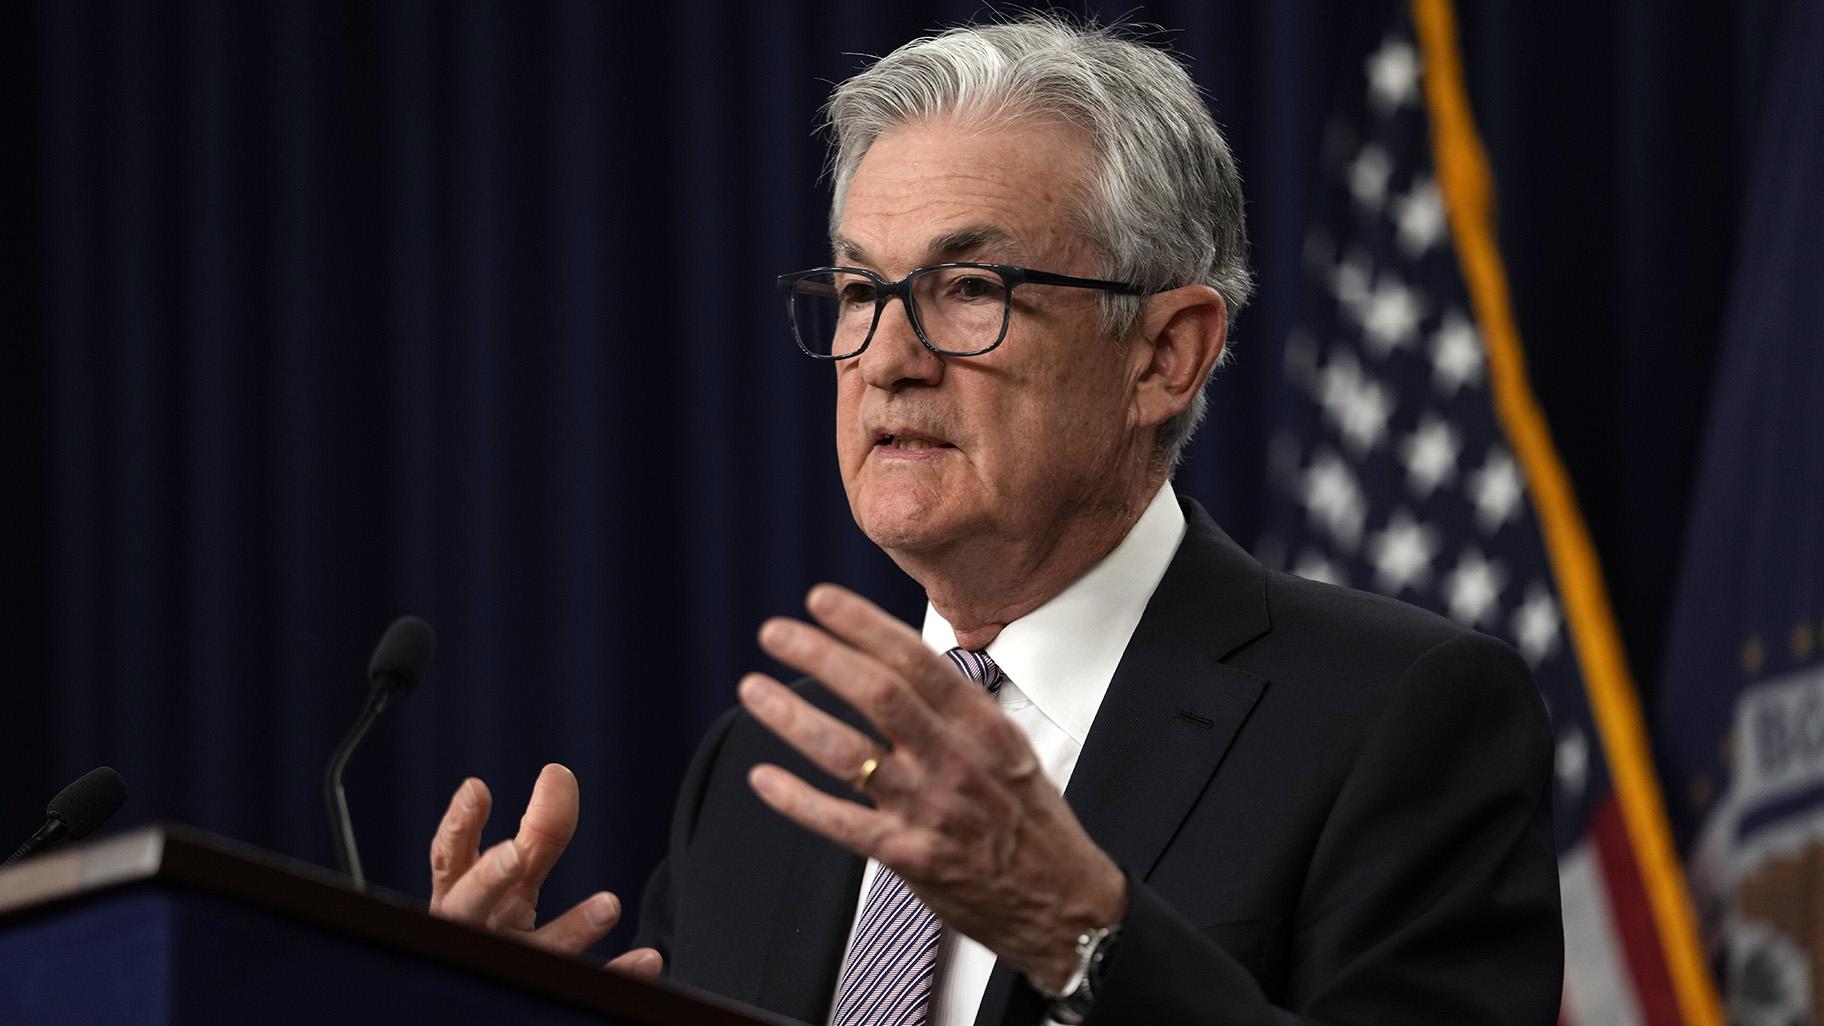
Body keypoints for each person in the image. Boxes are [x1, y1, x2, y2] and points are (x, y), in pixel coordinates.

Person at [424, 16, 1562, 1025]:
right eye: (862, 291)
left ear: (1166, 355)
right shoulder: (768, 761)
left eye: (970, 291)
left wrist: (1084, 935)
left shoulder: (1398, 718)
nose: (888, 361)